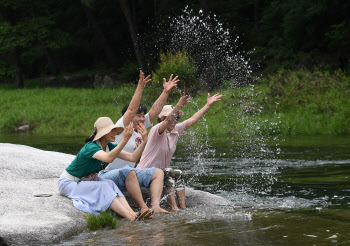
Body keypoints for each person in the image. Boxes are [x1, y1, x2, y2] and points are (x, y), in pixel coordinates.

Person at [99, 71, 178, 212]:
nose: (142, 119)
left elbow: (155, 110)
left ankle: (155, 206)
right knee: (128, 171)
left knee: (158, 173)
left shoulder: (139, 131)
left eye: (143, 116)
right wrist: (140, 87)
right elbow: (131, 109)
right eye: (138, 116)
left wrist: (166, 92)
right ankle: (143, 208)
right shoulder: (120, 128)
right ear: (128, 117)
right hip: (110, 174)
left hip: (130, 175)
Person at [137, 92, 223, 211]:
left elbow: (193, 119)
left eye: (177, 118)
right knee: (170, 172)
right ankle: (174, 207)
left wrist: (208, 105)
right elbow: (168, 121)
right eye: (173, 118)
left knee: (178, 172)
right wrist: (179, 105)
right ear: (162, 119)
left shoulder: (175, 130)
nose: (175, 121)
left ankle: (183, 207)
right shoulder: (156, 131)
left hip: (161, 175)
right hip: (145, 174)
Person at [58, 117, 153, 221]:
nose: (115, 133)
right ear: (103, 133)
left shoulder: (109, 146)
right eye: (111, 130)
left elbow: (133, 157)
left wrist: (144, 141)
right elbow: (109, 158)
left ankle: (132, 213)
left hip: (87, 180)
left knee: (110, 183)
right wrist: (125, 140)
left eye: (114, 129)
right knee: (103, 186)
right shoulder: (91, 147)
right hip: (69, 184)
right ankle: (129, 216)